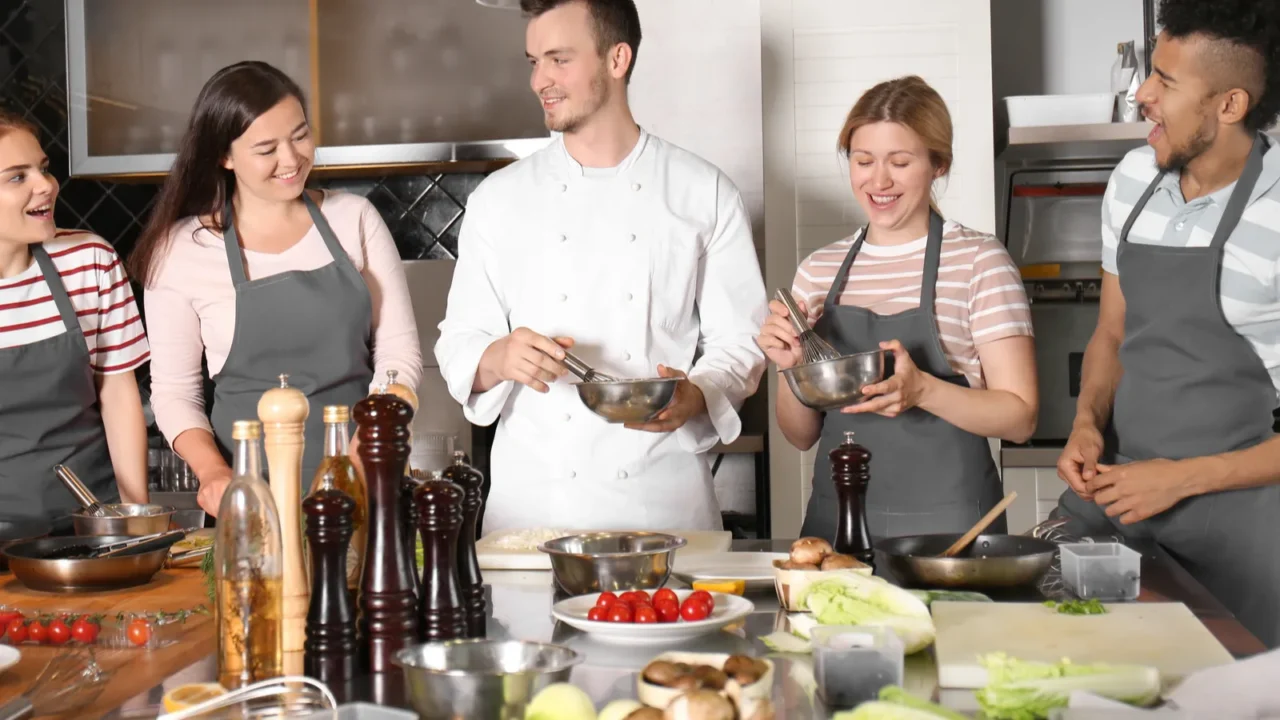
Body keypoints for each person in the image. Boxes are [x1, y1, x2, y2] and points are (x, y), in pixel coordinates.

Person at [435, 0, 768, 533]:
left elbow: (742, 341)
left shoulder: (702, 192)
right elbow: (459, 338)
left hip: (662, 507)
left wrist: (697, 393)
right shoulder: (499, 199)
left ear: (617, 59)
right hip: (533, 515)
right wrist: (498, 356)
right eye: (533, 61)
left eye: (559, 59)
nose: (539, 79)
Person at [1054, 0, 1280, 649]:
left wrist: (1177, 477)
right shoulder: (1133, 179)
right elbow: (1113, 334)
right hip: (1122, 509)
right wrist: (1087, 424)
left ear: (1229, 105)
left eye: (1166, 82)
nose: (1141, 95)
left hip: (1245, 535)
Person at [130, 61, 422, 517]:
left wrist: (369, 450)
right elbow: (174, 392)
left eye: (300, 135)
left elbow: (398, 357)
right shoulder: (181, 250)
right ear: (224, 156)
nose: (292, 159)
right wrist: (212, 472)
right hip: (250, 506)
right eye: (266, 148)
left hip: (368, 486)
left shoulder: (354, 219)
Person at [758, 76, 1038, 541]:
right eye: (863, 161)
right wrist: (789, 368)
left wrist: (923, 391)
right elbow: (801, 435)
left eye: (901, 162)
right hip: (839, 531)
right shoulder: (818, 272)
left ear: (938, 164)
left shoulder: (978, 262)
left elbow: (1021, 416)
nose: (879, 180)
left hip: (951, 538)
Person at [0, 109, 149, 530]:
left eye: (43, 169)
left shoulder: (89, 261)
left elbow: (118, 395)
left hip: (91, 523)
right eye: (17, 177)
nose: (45, 185)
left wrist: (132, 516)